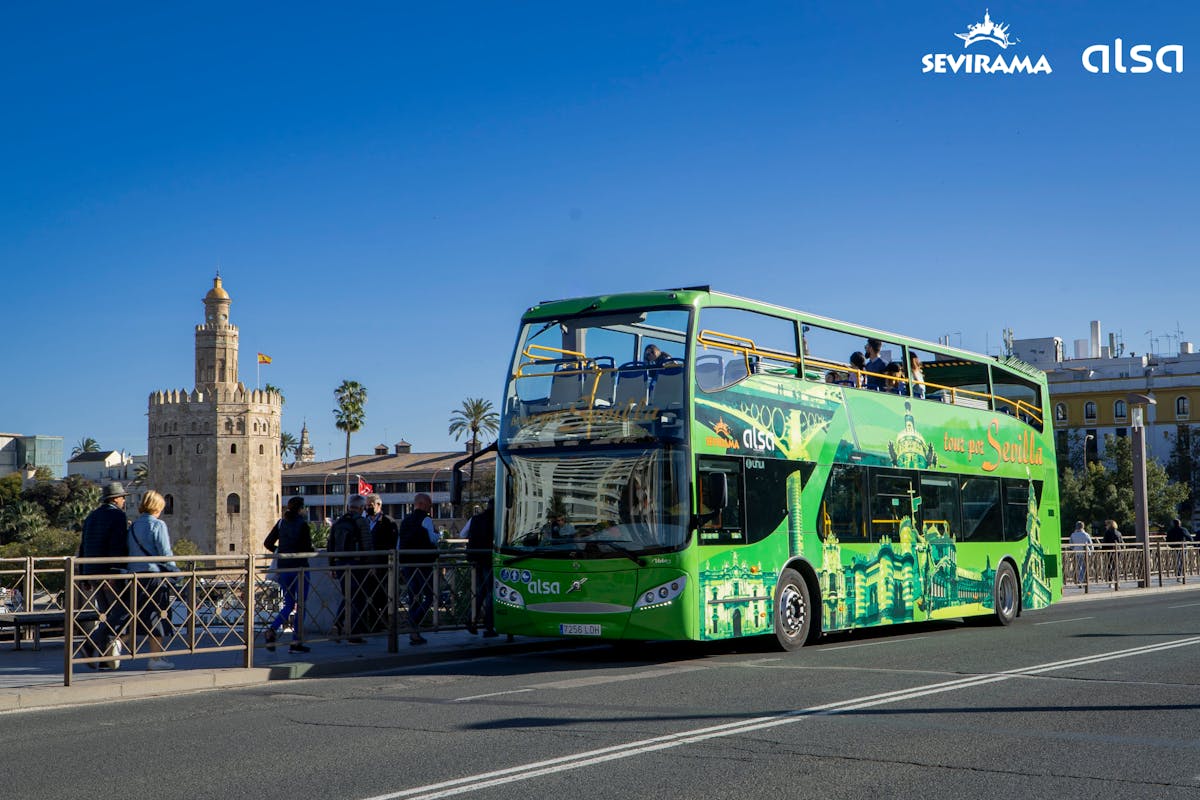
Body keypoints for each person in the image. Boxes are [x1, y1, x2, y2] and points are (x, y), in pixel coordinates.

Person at [78, 481, 132, 670]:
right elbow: (116, 546)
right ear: (116, 499)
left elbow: (83, 546)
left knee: (108, 614)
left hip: (92, 572)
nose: (124, 500)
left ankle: (104, 658)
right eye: (123, 497)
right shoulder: (117, 516)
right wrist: (114, 572)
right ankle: (90, 645)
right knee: (122, 612)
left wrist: (84, 575)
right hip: (109, 573)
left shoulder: (92, 516)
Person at [127, 490, 181, 670]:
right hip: (153, 576)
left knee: (135, 613)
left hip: (134, 575)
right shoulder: (158, 525)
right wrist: (175, 571)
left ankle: (115, 644)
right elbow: (165, 553)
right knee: (157, 615)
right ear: (158, 507)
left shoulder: (133, 526)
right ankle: (155, 658)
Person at [263, 496, 314, 653]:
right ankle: (296, 642)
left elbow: (267, 543)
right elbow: (307, 548)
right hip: (300, 568)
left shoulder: (281, 523)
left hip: (284, 568)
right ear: (301, 509)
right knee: (302, 605)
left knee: (289, 604)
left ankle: (272, 629)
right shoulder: (303, 525)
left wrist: (280, 551)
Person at [328, 494, 372, 643]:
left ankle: (338, 625)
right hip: (357, 564)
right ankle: (354, 633)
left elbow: (330, 545)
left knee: (348, 596)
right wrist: (370, 564)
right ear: (361, 507)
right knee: (358, 598)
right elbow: (367, 544)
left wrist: (332, 565)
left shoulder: (339, 522)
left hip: (340, 564)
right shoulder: (361, 521)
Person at [398, 493, 439, 645]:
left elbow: (399, 543)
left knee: (413, 596)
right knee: (430, 595)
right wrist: (438, 533)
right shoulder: (426, 519)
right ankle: (414, 621)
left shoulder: (405, 521)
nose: (430, 508)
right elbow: (432, 539)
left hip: (408, 564)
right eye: (429, 504)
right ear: (422, 504)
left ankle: (414, 634)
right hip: (423, 563)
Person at [462, 499, 497, 637]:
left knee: (479, 591)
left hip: (475, 558)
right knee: (490, 592)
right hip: (489, 558)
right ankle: (489, 626)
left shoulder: (475, 519)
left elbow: (462, 534)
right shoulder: (496, 520)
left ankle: (471, 620)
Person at [364, 493, 399, 632]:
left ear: (378, 505)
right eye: (366, 505)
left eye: (370, 505)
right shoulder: (364, 521)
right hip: (367, 565)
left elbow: (393, 543)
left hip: (383, 565)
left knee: (383, 595)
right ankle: (372, 623)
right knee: (369, 595)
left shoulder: (388, 522)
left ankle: (385, 622)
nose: (368, 507)